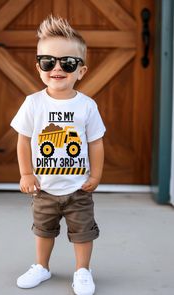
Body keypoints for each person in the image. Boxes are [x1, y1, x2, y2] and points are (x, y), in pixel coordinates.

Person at [10, 15, 106, 295]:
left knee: (83, 232)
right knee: (43, 230)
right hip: (44, 188)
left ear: (82, 70)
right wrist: (26, 173)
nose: (57, 68)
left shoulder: (87, 106)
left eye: (68, 63)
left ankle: (83, 270)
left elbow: (96, 143)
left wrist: (97, 174)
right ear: (38, 66)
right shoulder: (33, 104)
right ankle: (42, 266)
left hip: (78, 188)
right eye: (48, 62)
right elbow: (24, 141)